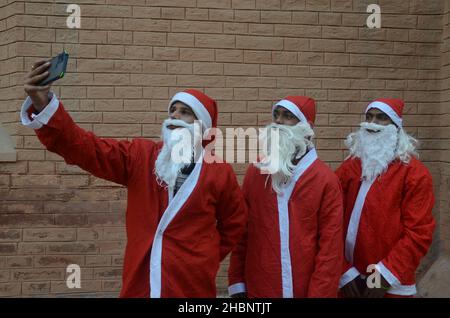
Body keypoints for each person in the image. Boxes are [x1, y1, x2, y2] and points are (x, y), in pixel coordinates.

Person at [21, 59, 247, 298]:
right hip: (141, 282)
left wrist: (205, 256)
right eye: (172, 110)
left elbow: (235, 222)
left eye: (185, 112)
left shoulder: (219, 171)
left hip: (192, 285)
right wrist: (43, 103)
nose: (174, 116)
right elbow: (87, 149)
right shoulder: (141, 156)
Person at [228, 96, 344, 298]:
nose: (279, 122)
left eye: (288, 116)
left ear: (306, 127)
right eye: (276, 115)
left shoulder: (325, 180)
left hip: (305, 289)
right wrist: (237, 282)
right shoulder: (257, 172)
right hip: (259, 287)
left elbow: (330, 249)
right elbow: (242, 233)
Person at [336, 98, 436, 298]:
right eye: (369, 117)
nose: (373, 123)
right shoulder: (350, 168)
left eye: (381, 118)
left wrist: (380, 278)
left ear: (396, 127)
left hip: (389, 283)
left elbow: (418, 234)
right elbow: (329, 219)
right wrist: (344, 271)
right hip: (349, 281)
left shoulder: (414, 174)